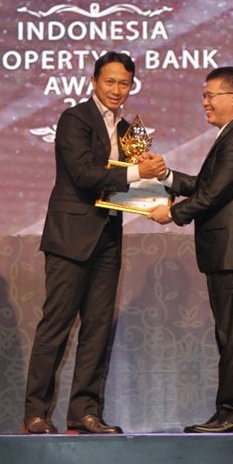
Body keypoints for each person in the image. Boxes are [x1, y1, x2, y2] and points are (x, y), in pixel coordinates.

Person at [23, 51, 167, 435]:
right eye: (110, 81)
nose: (117, 90)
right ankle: (35, 413)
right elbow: (84, 174)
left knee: (97, 328)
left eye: (124, 83)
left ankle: (84, 412)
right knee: (56, 326)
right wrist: (138, 171)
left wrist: (159, 181)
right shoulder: (74, 119)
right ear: (94, 82)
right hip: (70, 237)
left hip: (107, 238)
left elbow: (135, 185)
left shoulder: (129, 131)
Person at [149, 66, 233, 433]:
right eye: (204, 95)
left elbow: (212, 194)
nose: (205, 102)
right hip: (225, 252)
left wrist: (172, 214)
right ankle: (227, 411)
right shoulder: (231, 135)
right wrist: (165, 176)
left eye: (210, 95)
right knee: (228, 335)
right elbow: (206, 184)